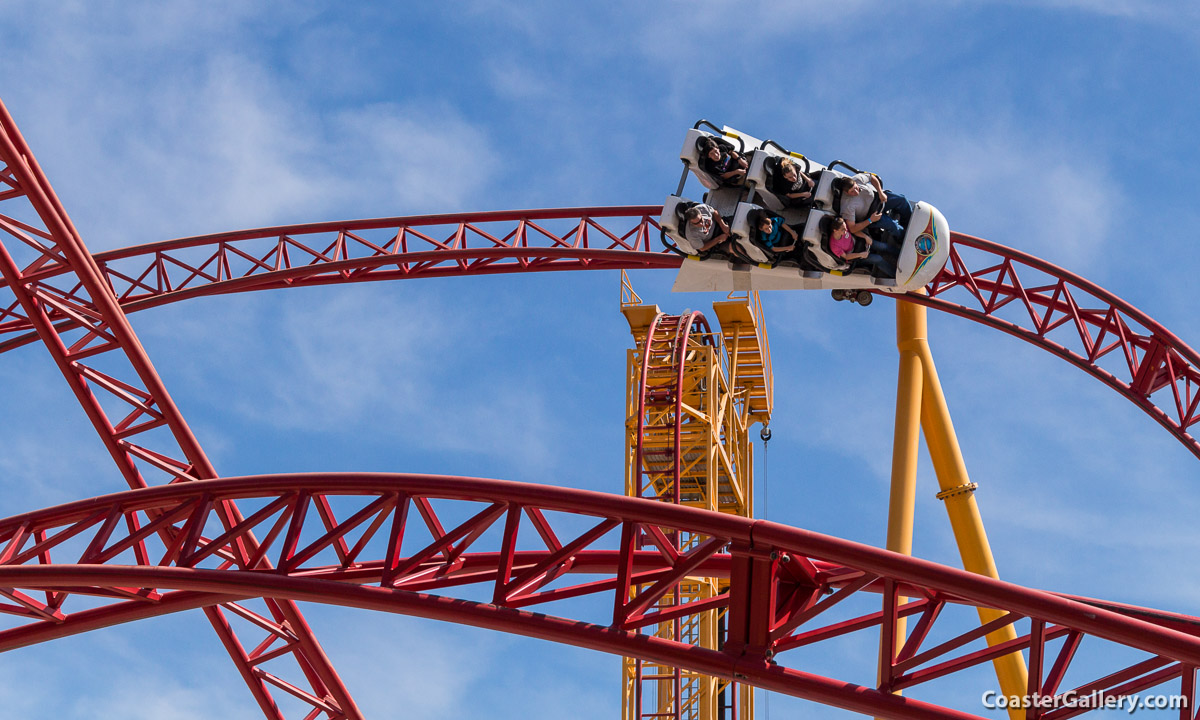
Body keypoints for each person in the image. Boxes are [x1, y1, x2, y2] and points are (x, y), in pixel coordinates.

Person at [832, 173, 912, 246]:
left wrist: (880, 193)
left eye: (856, 188)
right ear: (846, 193)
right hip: (871, 217)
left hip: (879, 200)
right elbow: (852, 229)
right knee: (893, 225)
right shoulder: (847, 205)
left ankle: (908, 223)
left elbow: (872, 177)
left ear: (855, 183)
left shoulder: (857, 179)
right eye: (852, 192)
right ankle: (904, 239)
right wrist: (870, 220)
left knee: (902, 200)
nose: (856, 192)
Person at [820, 214, 895, 276]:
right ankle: (894, 274)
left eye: (845, 228)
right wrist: (860, 255)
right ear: (835, 231)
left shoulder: (844, 228)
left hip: (859, 242)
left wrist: (866, 237)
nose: (846, 231)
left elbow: (854, 231)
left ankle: (899, 253)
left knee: (884, 246)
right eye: (843, 230)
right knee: (878, 259)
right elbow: (846, 256)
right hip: (856, 255)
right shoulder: (834, 246)